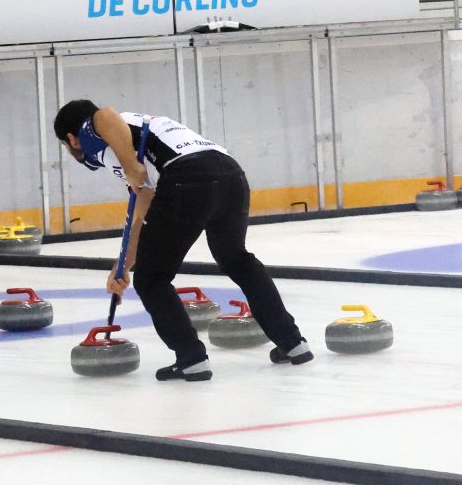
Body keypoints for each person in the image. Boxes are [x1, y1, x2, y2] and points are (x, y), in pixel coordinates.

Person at [54, 99, 312, 381]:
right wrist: (122, 266)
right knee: (236, 259)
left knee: (152, 279)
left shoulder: (101, 134)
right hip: (229, 174)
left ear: (71, 139)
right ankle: (292, 342)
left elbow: (103, 115)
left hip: (187, 178)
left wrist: (131, 165)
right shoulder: (139, 126)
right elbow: (144, 209)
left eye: (66, 146)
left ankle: (191, 358)